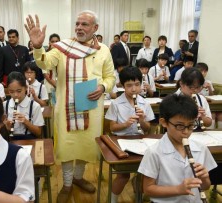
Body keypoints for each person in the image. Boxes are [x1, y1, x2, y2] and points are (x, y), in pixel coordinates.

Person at [25, 10, 115, 202]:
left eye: (85, 24)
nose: (79, 28)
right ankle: (66, 184)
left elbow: (111, 77)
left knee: (85, 145)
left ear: (95, 28)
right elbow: (45, 63)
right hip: (65, 108)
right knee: (67, 146)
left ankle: (78, 177)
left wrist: (103, 86)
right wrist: (39, 47)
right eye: (77, 24)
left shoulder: (104, 50)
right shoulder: (62, 47)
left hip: (91, 108)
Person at [138, 94, 217, 202]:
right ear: (164, 122)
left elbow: (206, 186)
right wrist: (178, 189)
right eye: (180, 126)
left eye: (190, 126)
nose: (186, 132)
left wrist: (204, 178)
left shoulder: (201, 148)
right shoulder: (154, 152)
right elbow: (148, 189)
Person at [105, 66, 154, 203]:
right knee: (123, 176)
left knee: (148, 173)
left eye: (137, 85)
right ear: (123, 86)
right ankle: (113, 199)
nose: (134, 89)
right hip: (120, 142)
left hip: (140, 141)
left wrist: (142, 120)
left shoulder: (144, 103)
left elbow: (147, 128)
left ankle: (140, 191)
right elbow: (112, 127)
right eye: (129, 85)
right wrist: (126, 124)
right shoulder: (116, 103)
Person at [3, 71, 44, 140]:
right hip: (11, 141)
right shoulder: (5, 105)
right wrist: (7, 127)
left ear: (25, 88)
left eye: (19, 91)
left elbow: (39, 132)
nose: (15, 95)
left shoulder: (35, 106)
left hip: (29, 141)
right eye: (11, 92)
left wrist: (26, 122)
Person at [43, 33, 60, 97]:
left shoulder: (63, 55)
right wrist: (56, 86)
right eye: (52, 41)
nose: (55, 43)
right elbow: (46, 75)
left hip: (61, 87)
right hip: (49, 87)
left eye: (57, 41)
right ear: (49, 43)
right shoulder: (43, 54)